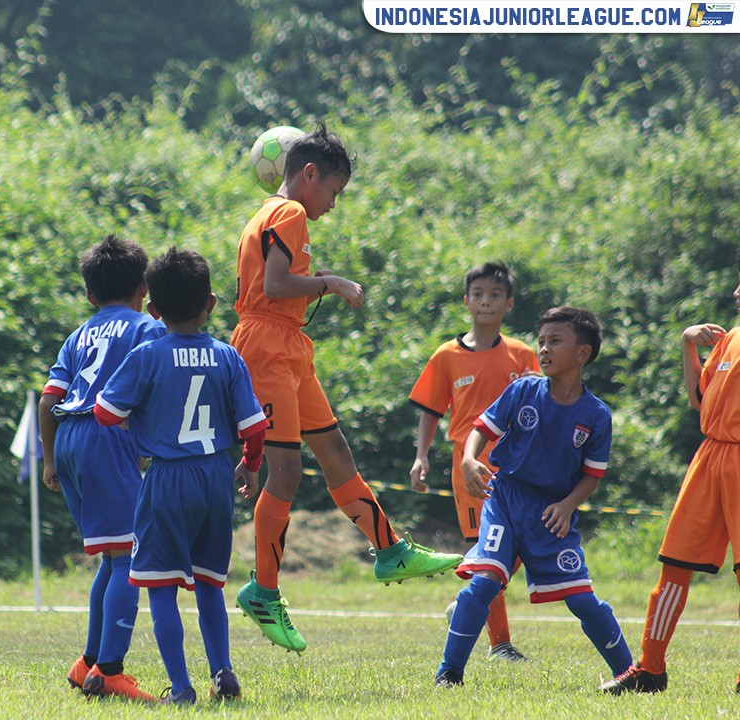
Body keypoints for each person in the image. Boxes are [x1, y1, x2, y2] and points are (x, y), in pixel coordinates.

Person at [230, 122, 462, 654]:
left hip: (287, 344)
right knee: (286, 472)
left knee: (335, 452)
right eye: (334, 191)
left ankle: (390, 551)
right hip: (267, 346)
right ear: (309, 174)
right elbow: (274, 285)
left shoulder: (271, 213)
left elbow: (274, 285)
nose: (333, 204)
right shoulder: (288, 212)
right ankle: (263, 590)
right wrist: (330, 283)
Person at [94, 247, 268, 705]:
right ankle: (223, 672)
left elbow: (105, 412)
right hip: (216, 476)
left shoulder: (147, 355)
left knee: (160, 586)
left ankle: (182, 687)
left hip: (167, 477)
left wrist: (138, 419)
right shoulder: (227, 357)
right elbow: (255, 427)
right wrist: (250, 466)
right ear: (210, 303)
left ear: (152, 309)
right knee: (209, 582)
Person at [435, 306, 632, 688]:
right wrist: (470, 460)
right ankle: (449, 673)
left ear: (582, 353)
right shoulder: (523, 390)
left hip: (551, 514)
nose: (543, 349)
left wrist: (568, 505)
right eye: (541, 341)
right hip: (505, 501)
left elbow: (592, 476)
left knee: (581, 599)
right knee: (485, 583)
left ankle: (629, 674)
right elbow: (481, 429)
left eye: (555, 341)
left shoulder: (596, 415)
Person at [599, 269, 740, 695]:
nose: (737, 291)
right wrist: (687, 344)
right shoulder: (731, 338)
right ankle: (650, 670)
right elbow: (699, 399)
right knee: (675, 563)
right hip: (710, 458)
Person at [38, 235, 165, 702]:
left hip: (68, 437)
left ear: (90, 294)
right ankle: (110, 671)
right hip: (104, 435)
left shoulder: (78, 335)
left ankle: (88, 662)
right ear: (143, 288)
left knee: (112, 556)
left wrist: (50, 460)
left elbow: (49, 399)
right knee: (130, 556)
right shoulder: (146, 329)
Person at [408, 261, 540, 662]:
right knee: (488, 547)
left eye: (495, 295)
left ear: (508, 303)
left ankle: (469, 598)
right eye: (479, 294)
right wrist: (421, 456)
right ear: (466, 301)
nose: (486, 301)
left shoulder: (523, 354)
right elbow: (431, 410)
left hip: (518, 465)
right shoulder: (447, 356)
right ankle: (500, 645)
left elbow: (543, 405)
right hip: (469, 465)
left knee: (524, 542)